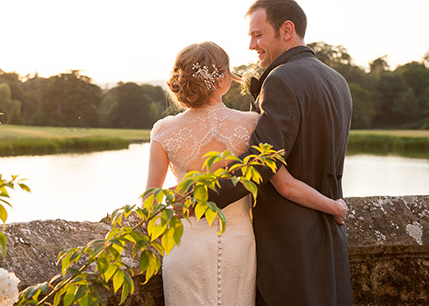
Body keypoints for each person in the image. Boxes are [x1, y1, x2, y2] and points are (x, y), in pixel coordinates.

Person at [145, 41, 348, 306]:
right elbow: (286, 185)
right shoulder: (251, 124)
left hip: (185, 245)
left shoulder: (163, 130)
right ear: (221, 80)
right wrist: (333, 206)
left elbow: (149, 202)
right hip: (237, 245)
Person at [208, 0, 354, 305]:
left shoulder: (281, 79)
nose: (251, 45)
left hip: (288, 245)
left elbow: (262, 161)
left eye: (258, 35)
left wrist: (201, 195)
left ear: (286, 29)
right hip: (329, 237)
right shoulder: (338, 81)